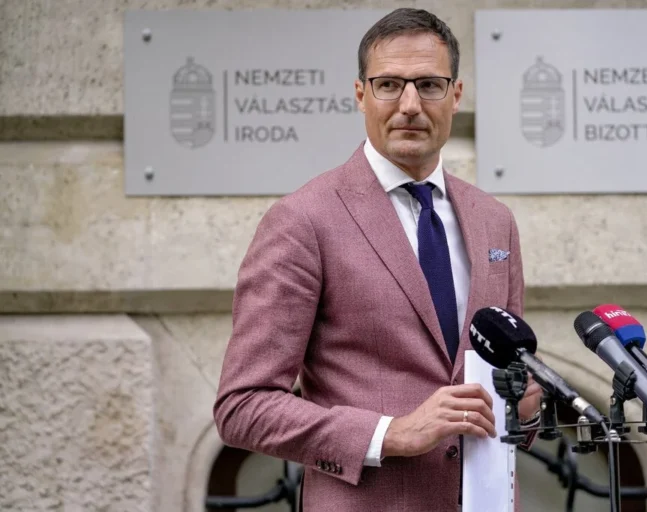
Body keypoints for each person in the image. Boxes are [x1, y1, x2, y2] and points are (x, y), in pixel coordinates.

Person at [213, 7, 542, 511]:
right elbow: (243, 407)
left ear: (456, 95)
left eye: (429, 85)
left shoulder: (495, 220)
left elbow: (508, 385)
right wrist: (391, 433)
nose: (410, 105)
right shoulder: (303, 220)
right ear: (360, 94)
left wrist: (526, 407)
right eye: (389, 85)